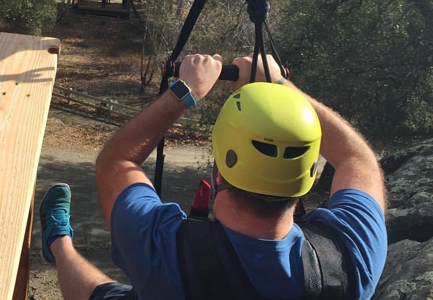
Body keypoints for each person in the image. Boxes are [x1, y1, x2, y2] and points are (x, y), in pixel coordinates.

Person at [39, 53, 387, 300]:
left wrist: (185, 92)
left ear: (218, 170)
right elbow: (359, 161)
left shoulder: (161, 247)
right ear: (309, 175)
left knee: (102, 293)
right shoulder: (350, 256)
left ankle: (58, 242)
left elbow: (116, 162)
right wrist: (282, 85)